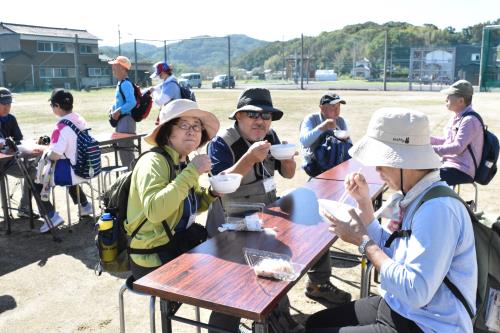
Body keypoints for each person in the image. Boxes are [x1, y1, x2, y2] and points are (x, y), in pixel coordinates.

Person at [306, 108, 477, 333]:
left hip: (428, 323)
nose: (376, 169)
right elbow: (394, 249)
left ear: (404, 162)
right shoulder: (419, 194)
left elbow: (416, 291)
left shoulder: (437, 210)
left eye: (381, 161)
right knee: (314, 324)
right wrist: (365, 204)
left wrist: (364, 243)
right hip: (402, 307)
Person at [205, 87, 314, 333]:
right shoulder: (221, 143)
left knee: (279, 266)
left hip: (262, 217)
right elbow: (221, 186)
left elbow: (287, 174)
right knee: (234, 284)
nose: (261, 121)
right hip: (229, 223)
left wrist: (287, 159)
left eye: (267, 116)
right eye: (253, 115)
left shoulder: (271, 136)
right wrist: (249, 158)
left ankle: (275, 321)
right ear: (239, 116)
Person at [126, 99, 220, 330]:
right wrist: (192, 172)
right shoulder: (153, 162)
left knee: (230, 266)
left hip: (176, 247)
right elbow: (156, 211)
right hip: (152, 256)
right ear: (168, 132)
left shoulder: (181, 162)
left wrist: (213, 192)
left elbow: (192, 205)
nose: (192, 131)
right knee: (222, 280)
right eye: (183, 125)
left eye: (196, 126)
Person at [35, 89, 94, 233]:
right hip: (85, 168)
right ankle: (85, 205)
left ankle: (51, 216)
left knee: (35, 180)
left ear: (57, 106)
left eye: (52, 106)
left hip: (70, 173)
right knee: (67, 167)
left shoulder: (61, 127)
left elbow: (55, 155)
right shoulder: (80, 120)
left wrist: (45, 152)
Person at [431, 79, 484, 186]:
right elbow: (448, 141)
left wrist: (430, 149)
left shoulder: (469, 120)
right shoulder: (457, 117)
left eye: (450, 95)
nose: (446, 98)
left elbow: (457, 147)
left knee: (421, 178)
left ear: (461, 101)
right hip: (449, 165)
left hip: (461, 170)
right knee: (417, 172)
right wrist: (425, 140)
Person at [0, 87, 43, 218]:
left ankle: (24, 207)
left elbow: (19, 141)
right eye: (4, 103)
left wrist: (31, 147)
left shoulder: (11, 119)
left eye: (9, 103)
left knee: (34, 171)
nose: (7, 107)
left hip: (10, 161)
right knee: (31, 171)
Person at [300, 92, 352, 177]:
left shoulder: (340, 121)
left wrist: (345, 140)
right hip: (315, 167)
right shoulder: (311, 119)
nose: (337, 111)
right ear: (322, 108)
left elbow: (350, 146)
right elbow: (304, 142)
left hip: (335, 165)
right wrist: (323, 127)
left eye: (338, 107)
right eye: (333, 107)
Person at [108, 56, 137, 169]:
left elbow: (132, 102)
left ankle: (130, 178)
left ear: (123, 68)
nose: (113, 68)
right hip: (123, 121)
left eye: (115, 65)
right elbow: (120, 101)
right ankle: (129, 177)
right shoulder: (121, 83)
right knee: (124, 152)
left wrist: (119, 111)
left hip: (126, 121)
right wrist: (112, 108)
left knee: (126, 153)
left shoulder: (125, 84)